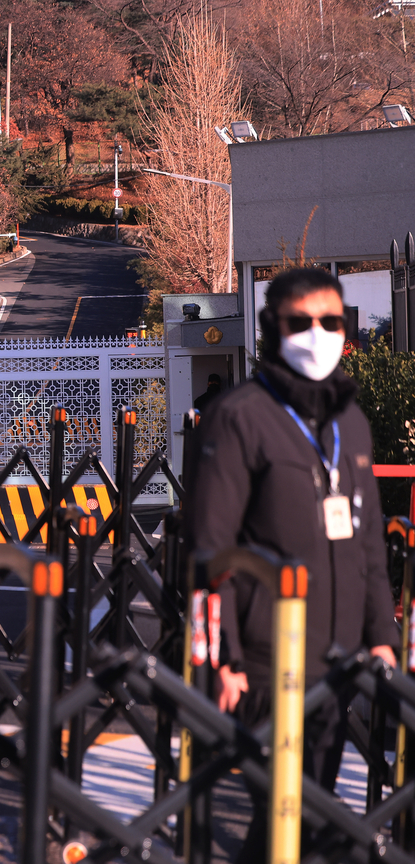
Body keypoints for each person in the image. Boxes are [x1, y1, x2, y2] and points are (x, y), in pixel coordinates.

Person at [184, 267, 398, 864]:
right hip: (262, 658)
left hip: (340, 660)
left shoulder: (351, 421)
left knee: (307, 813)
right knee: (289, 812)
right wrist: (221, 659)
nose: (317, 334)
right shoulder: (238, 417)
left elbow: (369, 543)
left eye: (330, 321)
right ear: (271, 331)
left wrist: (383, 639)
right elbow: (208, 549)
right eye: (299, 322)